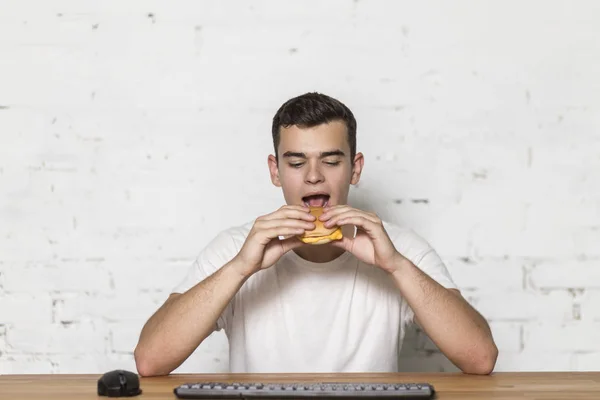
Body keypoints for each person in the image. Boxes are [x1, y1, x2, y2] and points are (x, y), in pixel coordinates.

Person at [133, 92, 498, 376]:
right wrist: (240, 268)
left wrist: (396, 266)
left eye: (331, 160)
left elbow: (480, 358)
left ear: (355, 169)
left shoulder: (400, 248)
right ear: (275, 172)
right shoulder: (235, 248)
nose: (313, 176)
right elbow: (150, 360)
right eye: (295, 162)